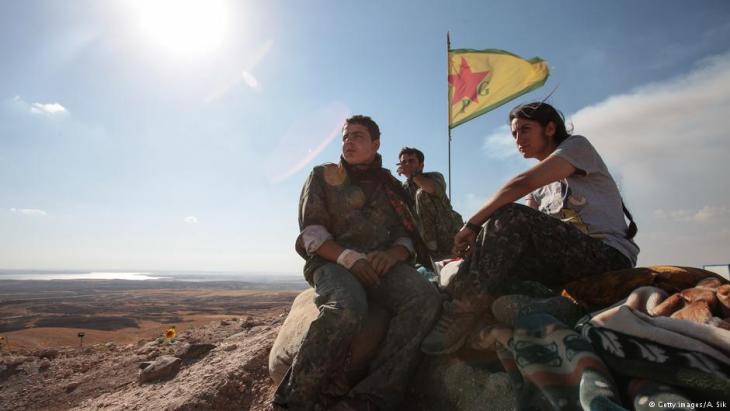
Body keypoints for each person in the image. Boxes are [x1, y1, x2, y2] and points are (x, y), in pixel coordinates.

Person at [421, 102, 639, 354]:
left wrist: (472, 223)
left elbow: (520, 188)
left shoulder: (577, 147)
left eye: (525, 130)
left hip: (606, 256)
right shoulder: (539, 186)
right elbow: (518, 236)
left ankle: (462, 311)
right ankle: (557, 306)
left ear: (549, 128)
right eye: (514, 133)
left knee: (509, 214)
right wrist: (479, 243)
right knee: (496, 250)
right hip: (568, 263)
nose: (518, 139)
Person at [274, 115, 441, 411]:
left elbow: (405, 234)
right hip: (333, 263)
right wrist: (348, 257)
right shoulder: (322, 176)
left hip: (381, 266)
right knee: (348, 306)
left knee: (424, 298)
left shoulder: (391, 185)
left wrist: (393, 254)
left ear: (376, 144)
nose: (349, 141)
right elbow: (311, 232)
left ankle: (372, 397)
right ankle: (292, 401)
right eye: (345, 136)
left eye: (358, 136)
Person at [397, 147, 463, 261]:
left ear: (421, 165)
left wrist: (412, 175)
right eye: (403, 162)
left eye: (411, 161)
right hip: (422, 240)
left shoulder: (434, 177)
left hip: (448, 233)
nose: (407, 164)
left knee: (422, 193)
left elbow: (431, 188)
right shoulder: (402, 189)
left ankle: (434, 250)